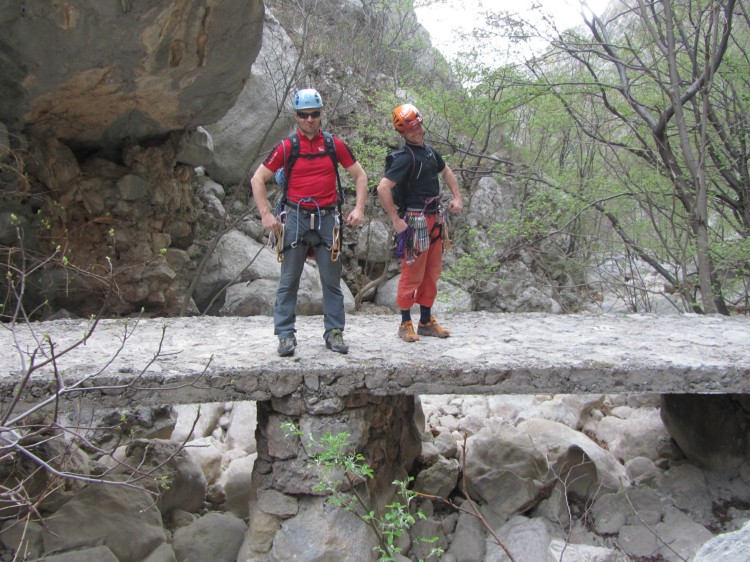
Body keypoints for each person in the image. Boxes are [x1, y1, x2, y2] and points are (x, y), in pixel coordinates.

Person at [250, 88, 368, 356]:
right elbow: (257, 179)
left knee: (331, 280)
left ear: (321, 113)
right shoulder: (287, 146)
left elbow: (360, 176)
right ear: (296, 116)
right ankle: (285, 335)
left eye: (314, 114)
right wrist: (266, 214)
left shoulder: (333, 145)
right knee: (289, 280)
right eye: (304, 115)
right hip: (295, 218)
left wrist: (359, 208)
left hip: (328, 218)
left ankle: (334, 332)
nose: (310, 119)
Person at [376, 103, 463, 342]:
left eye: (417, 126)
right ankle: (405, 323)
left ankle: (425, 321)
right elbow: (383, 188)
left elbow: (446, 172)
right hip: (415, 221)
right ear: (402, 133)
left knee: (431, 273)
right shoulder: (405, 158)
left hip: (435, 219)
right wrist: (395, 219)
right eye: (410, 129)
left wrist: (457, 196)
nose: (416, 131)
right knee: (412, 274)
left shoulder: (430, 153)